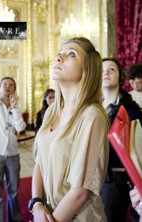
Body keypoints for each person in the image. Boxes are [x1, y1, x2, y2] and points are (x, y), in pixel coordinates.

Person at [30, 37, 110, 222]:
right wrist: (36, 204)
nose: (59, 58)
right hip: (48, 212)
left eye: (71, 54)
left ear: (87, 69)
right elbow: (39, 163)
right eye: (59, 53)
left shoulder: (92, 116)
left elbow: (80, 193)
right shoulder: (51, 111)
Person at [0, 46, 26, 222]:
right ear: (0, 89)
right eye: (4, 85)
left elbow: (21, 127)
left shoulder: (16, 108)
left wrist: (15, 109)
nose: (7, 88)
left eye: (11, 86)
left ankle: (15, 219)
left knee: (14, 192)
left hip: (12, 155)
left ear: (13, 90)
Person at [101, 57, 142, 222]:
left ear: (120, 77)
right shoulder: (93, 108)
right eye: (102, 70)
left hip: (126, 175)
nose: (106, 73)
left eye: (111, 69)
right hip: (101, 176)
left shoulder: (131, 107)